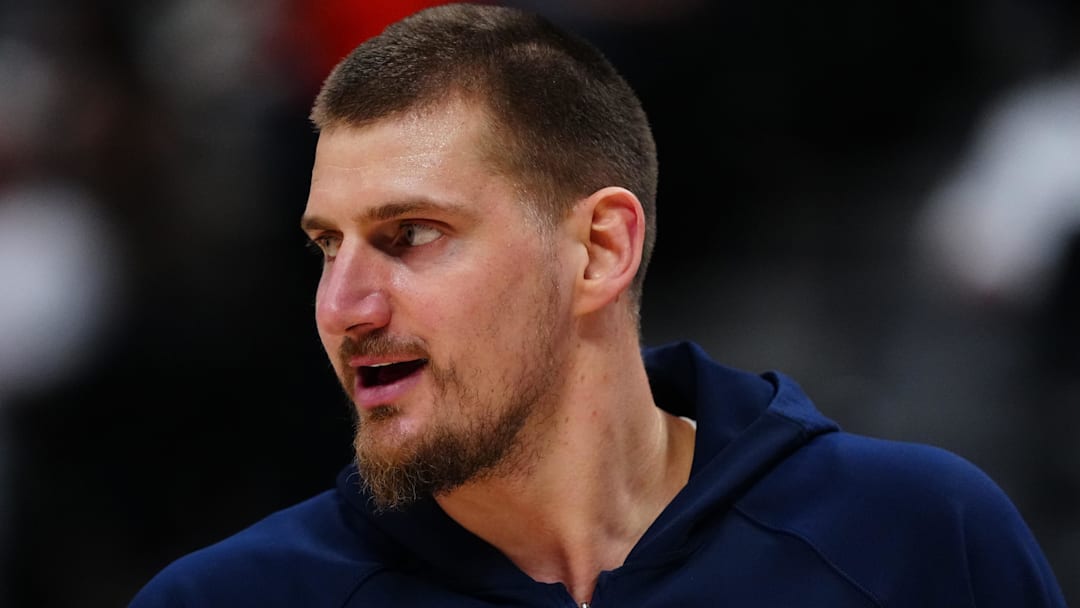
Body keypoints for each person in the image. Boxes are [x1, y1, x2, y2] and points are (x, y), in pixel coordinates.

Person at [128, 3, 1067, 606]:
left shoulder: (919, 537)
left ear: (601, 249)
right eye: (327, 246)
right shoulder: (226, 598)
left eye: (410, 234)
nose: (343, 305)